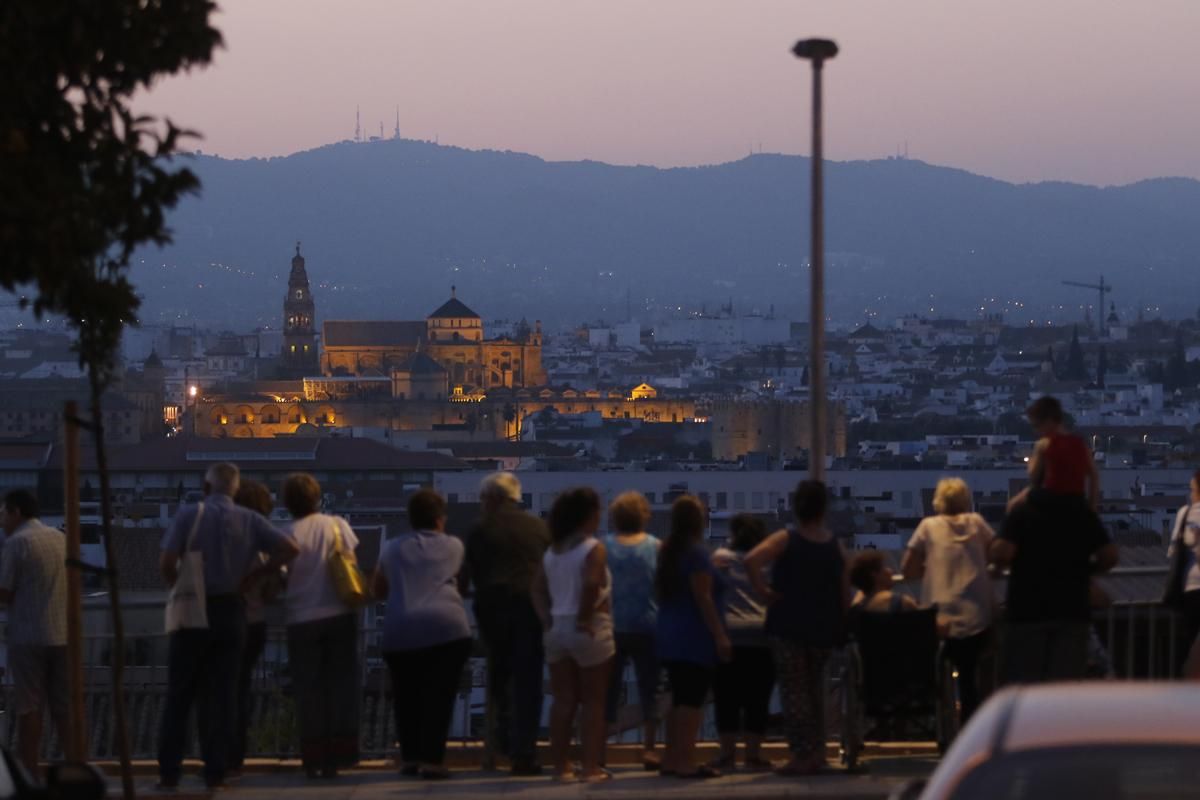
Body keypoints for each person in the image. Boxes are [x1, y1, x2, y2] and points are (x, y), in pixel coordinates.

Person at [158, 463, 298, 790]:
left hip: (194, 609)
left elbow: (166, 563)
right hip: (232, 610)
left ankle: (169, 773)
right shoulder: (251, 520)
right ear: (235, 490)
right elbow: (290, 548)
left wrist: (178, 588)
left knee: (180, 694)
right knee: (224, 695)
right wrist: (256, 575)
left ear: (206, 489)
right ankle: (216, 771)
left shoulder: (188, 515)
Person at [745, 480, 847, 777]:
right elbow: (843, 591)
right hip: (822, 628)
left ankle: (802, 755)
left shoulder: (787, 539)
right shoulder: (833, 545)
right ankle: (818, 751)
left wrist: (764, 591)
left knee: (794, 692)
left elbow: (752, 560)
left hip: (788, 625)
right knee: (816, 691)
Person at [374, 490, 472, 780]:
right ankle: (432, 760)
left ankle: (410, 758)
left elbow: (376, 589)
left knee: (406, 697)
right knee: (439, 696)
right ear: (440, 519)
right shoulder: (454, 546)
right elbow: (462, 583)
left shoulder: (391, 548)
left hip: (401, 629)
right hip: (448, 628)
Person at [462, 472, 550, 775]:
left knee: (499, 679)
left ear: (493, 499)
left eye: (484, 499)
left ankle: (500, 741)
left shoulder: (479, 529)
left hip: (494, 611)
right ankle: (525, 751)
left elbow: (465, 576)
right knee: (530, 680)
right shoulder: (538, 527)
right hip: (531, 610)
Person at [277, 473, 363, 779]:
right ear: (317, 498)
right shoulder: (337, 526)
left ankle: (313, 755)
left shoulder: (286, 533)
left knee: (308, 690)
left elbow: (281, 577)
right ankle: (341, 754)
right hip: (339, 615)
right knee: (340, 685)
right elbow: (350, 560)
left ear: (288, 503)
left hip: (301, 619)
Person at [991, 484, 1118, 685]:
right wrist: (1085, 573)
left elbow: (1001, 553)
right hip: (1071, 615)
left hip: (1028, 615)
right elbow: (1110, 556)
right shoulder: (1079, 514)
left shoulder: (1022, 514)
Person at [532, 487, 614, 783]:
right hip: (589, 627)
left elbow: (537, 589)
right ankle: (590, 767)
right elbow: (592, 583)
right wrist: (582, 617)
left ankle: (561, 767)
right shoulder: (593, 548)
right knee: (593, 701)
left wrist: (547, 619)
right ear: (589, 516)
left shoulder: (553, 551)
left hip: (557, 629)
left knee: (563, 700)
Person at [901, 477, 995, 721]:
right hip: (977, 619)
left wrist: (931, 569)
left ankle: (936, 719)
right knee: (973, 672)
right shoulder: (977, 523)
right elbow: (995, 555)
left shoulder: (928, 526)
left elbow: (908, 569)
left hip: (937, 620)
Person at [655, 495, 730, 780]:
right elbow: (703, 597)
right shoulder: (697, 554)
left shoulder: (668, 552)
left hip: (670, 634)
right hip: (693, 637)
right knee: (691, 701)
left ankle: (672, 758)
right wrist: (720, 635)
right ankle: (685, 760)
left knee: (678, 699)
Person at [0, 489, 69, 775]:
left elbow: (5, 591)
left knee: (29, 708)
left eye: (3, 514)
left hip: (27, 637)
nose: (1, 521)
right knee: (63, 708)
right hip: (61, 635)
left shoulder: (17, 543)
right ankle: (77, 768)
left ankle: (28, 773)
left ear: (16, 512)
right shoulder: (59, 538)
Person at [710, 514, 775, 771]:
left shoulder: (720, 559)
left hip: (729, 634)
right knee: (757, 699)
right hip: (762, 635)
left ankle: (726, 754)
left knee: (726, 698)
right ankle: (753, 755)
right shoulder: (767, 561)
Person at [602, 491, 661, 770]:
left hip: (612, 626)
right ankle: (649, 748)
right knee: (650, 689)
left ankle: (598, 749)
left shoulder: (603, 548)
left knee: (607, 692)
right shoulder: (655, 546)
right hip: (647, 624)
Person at [229, 479, 281, 775]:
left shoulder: (224, 536)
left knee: (222, 690)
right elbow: (271, 590)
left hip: (223, 622)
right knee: (241, 690)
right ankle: (236, 752)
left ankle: (222, 753)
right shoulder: (261, 545)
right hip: (253, 623)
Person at [1020, 395, 1100, 509]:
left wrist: (1031, 464)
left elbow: (1035, 478)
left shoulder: (1043, 445)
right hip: (1077, 500)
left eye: (1036, 425)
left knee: (1014, 506)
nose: (1036, 430)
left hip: (1053, 501)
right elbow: (1094, 475)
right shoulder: (1079, 444)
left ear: (1048, 421)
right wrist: (1091, 507)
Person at [1167, 469, 1200, 676]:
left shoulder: (1185, 514)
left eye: (1193, 490)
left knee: (1186, 644)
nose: (1191, 494)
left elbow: (1173, 552)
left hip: (1192, 589)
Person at [849, 551, 918, 614]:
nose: (890, 571)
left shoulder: (855, 610)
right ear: (874, 574)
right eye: (883, 567)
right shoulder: (901, 603)